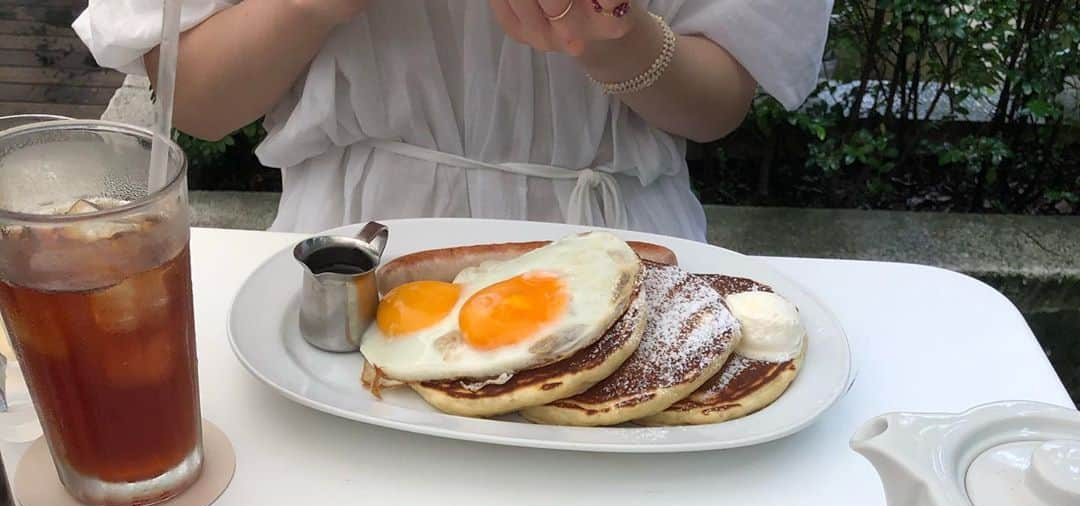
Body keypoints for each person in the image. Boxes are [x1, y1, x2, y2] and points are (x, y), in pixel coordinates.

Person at [75, 1, 832, 239]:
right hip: (354, 249)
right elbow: (198, 97)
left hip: (621, 240)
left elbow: (718, 102)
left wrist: (618, 37)